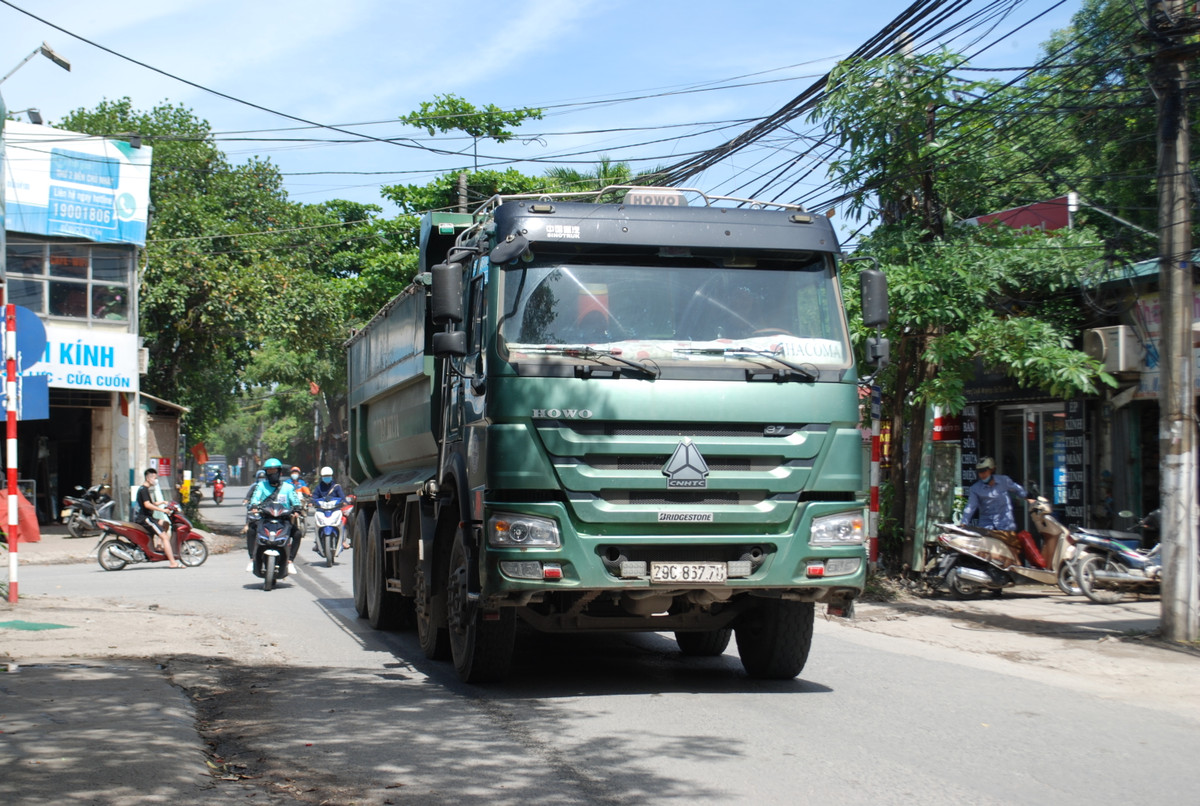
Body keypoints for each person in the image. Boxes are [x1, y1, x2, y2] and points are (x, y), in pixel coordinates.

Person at [246, 458, 304, 574]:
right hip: (265, 519)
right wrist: (253, 505)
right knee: (251, 530)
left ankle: (290, 561)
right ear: (266, 473)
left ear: (280, 472)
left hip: (284, 520)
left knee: (297, 534)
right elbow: (255, 498)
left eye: (274, 471)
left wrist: (297, 509)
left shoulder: (288, 487)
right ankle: (252, 559)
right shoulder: (261, 486)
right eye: (269, 471)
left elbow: (295, 500)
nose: (272, 474)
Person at [961, 456, 1031, 531]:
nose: (982, 475)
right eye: (980, 472)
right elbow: (971, 506)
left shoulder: (1004, 480)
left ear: (992, 470)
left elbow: (1018, 490)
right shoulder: (975, 489)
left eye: (984, 471)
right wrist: (963, 523)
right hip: (987, 527)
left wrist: (1029, 498)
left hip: (1005, 525)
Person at [135, 467, 180, 568]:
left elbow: (151, 503)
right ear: (148, 478)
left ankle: (159, 546)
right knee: (164, 536)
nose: (156, 480)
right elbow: (147, 505)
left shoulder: (144, 489)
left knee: (165, 524)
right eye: (154, 478)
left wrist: (163, 502)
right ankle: (172, 562)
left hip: (147, 517)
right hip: (145, 519)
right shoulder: (144, 490)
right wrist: (162, 510)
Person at [311, 466, 349, 552]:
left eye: (328, 475)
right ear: (322, 477)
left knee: (341, 523)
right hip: (322, 510)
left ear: (331, 476)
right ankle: (317, 542)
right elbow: (314, 497)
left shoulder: (337, 487)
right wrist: (312, 502)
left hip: (334, 510)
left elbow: (342, 497)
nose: (327, 477)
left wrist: (344, 502)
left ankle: (342, 541)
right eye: (325, 476)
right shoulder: (318, 487)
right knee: (317, 523)